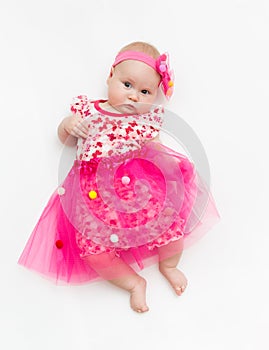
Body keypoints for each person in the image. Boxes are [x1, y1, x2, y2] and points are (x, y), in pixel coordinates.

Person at [18, 41, 219, 313]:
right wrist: (67, 126)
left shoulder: (144, 120)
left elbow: (157, 148)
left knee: (169, 226)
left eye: (145, 91)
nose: (134, 96)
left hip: (139, 188)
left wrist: (170, 168)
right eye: (127, 85)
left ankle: (169, 265)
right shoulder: (87, 110)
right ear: (110, 76)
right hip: (93, 195)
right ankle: (134, 283)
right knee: (93, 251)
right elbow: (65, 139)